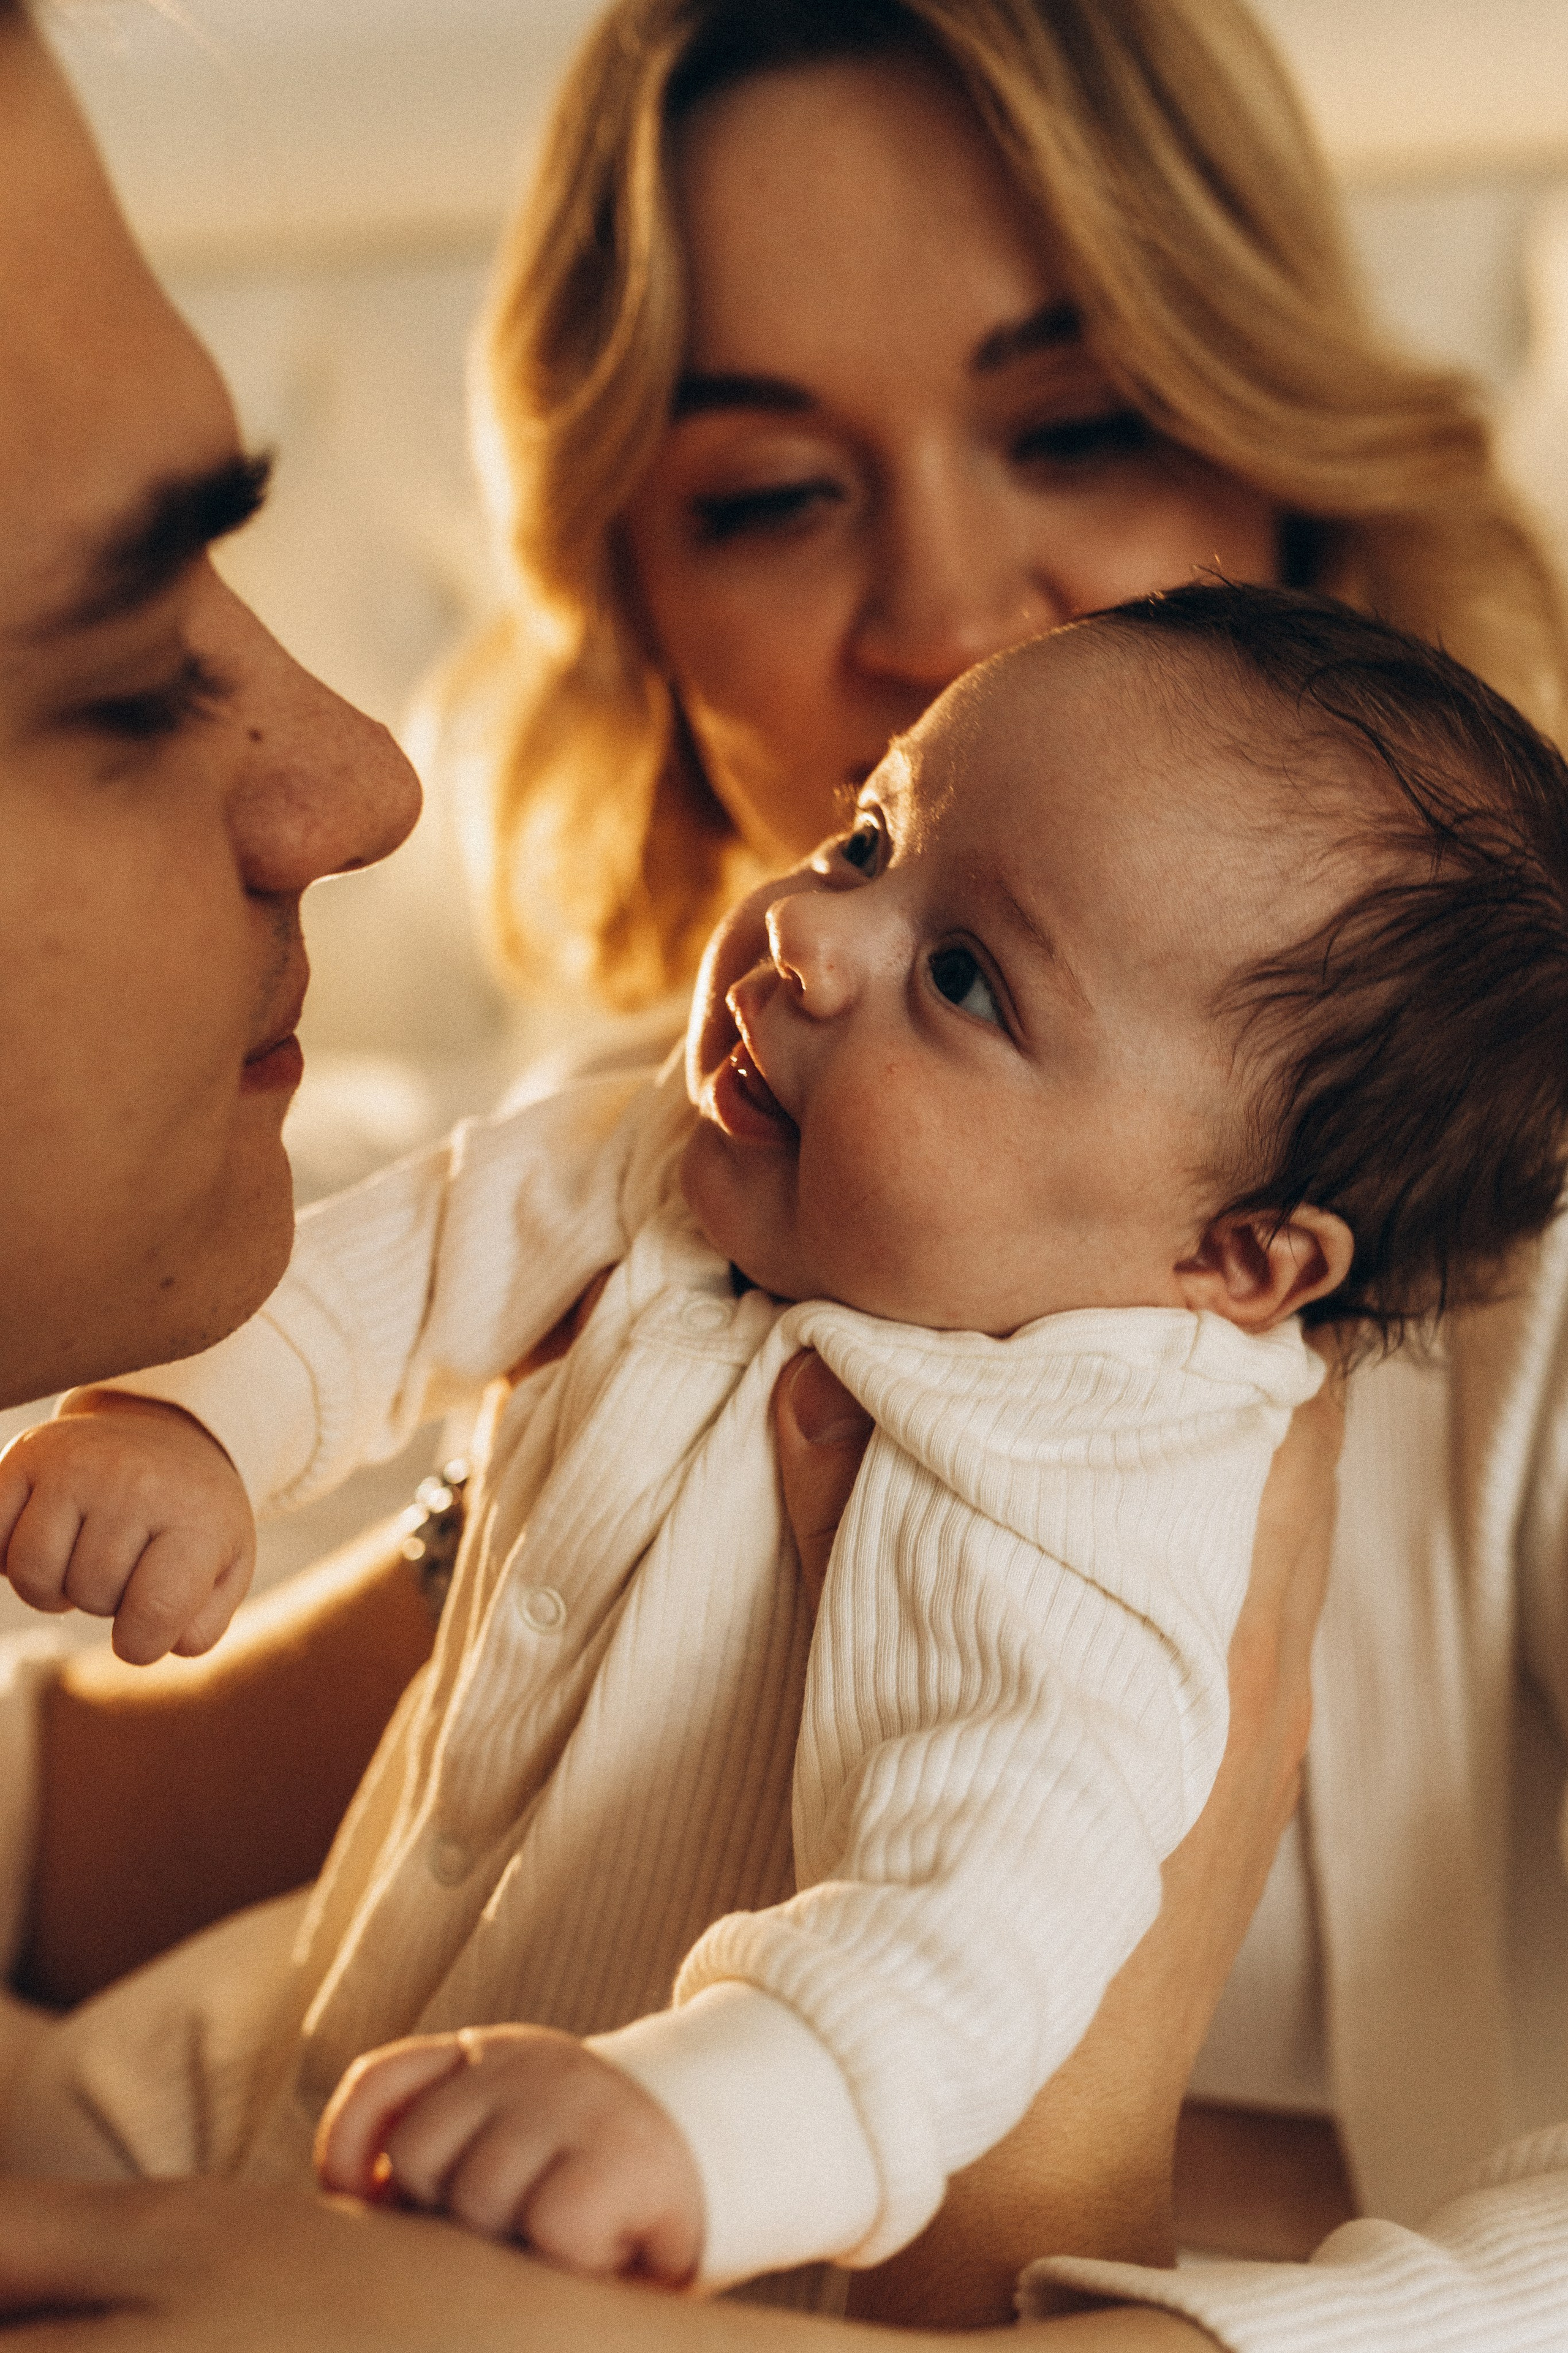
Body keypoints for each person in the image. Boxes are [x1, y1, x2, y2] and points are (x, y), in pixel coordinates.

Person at [0, 1, 1553, 2349]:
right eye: (769, 491)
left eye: (1078, 424)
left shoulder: (1477, 1283)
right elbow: (137, 1785)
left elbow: (978, 1926)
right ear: (633, 593)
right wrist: (213, 1429)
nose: (952, 609)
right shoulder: (694, 1139)